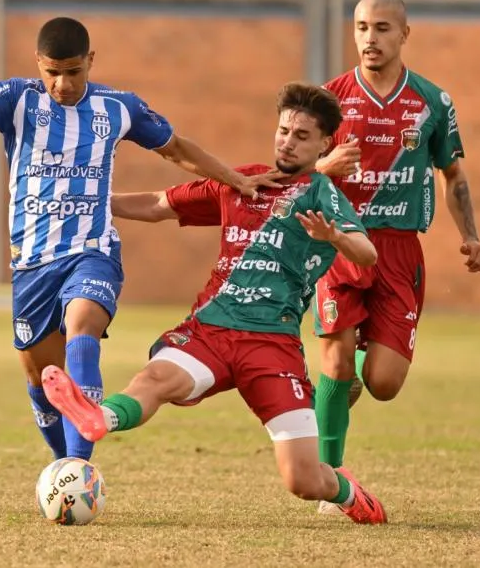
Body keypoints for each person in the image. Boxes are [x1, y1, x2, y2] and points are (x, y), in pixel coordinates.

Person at [0, 17, 281, 464]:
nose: (62, 83)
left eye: (73, 71)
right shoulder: (16, 98)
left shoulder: (118, 107)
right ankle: (63, 464)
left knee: (82, 324)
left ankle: (80, 466)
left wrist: (235, 181)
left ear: (90, 61)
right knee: (43, 377)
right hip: (32, 262)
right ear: (38, 64)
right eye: (52, 72)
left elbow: (178, 150)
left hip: (92, 249)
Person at [41, 81, 387, 525]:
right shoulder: (240, 182)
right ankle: (99, 417)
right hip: (211, 330)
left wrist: (333, 236)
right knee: (157, 378)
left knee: (303, 480)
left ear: (324, 143)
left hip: (271, 345)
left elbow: (367, 253)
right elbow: (157, 203)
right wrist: (86, 204)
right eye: (283, 130)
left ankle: (347, 492)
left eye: (302, 136)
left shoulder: (322, 194)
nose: (288, 141)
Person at [313, 0, 480, 512]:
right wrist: (324, 169)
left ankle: (352, 375)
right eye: (362, 27)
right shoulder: (328, 99)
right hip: (339, 239)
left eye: (383, 28)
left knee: (383, 383)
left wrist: (471, 235)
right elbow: (291, 173)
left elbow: (452, 173)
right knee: (336, 360)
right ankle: (331, 477)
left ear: (404, 35)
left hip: (398, 249)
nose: (371, 38)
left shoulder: (432, 102)